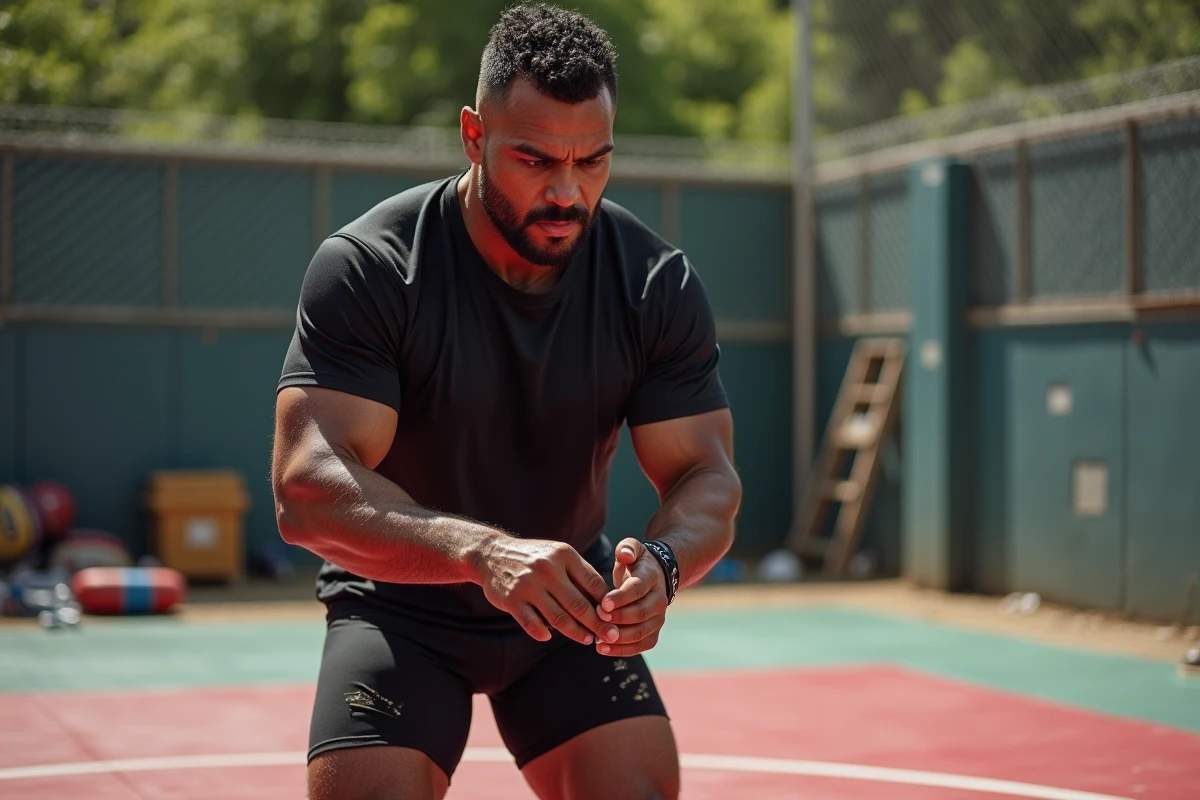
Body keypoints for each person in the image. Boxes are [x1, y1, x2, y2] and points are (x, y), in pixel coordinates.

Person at [271, 5, 741, 799]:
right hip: (402, 607)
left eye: (592, 161)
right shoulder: (373, 266)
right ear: (474, 136)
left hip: (569, 606)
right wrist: (480, 553)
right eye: (534, 160)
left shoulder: (652, 282)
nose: (566, 192)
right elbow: (307, 492)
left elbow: (707, 477)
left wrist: (663, 565)